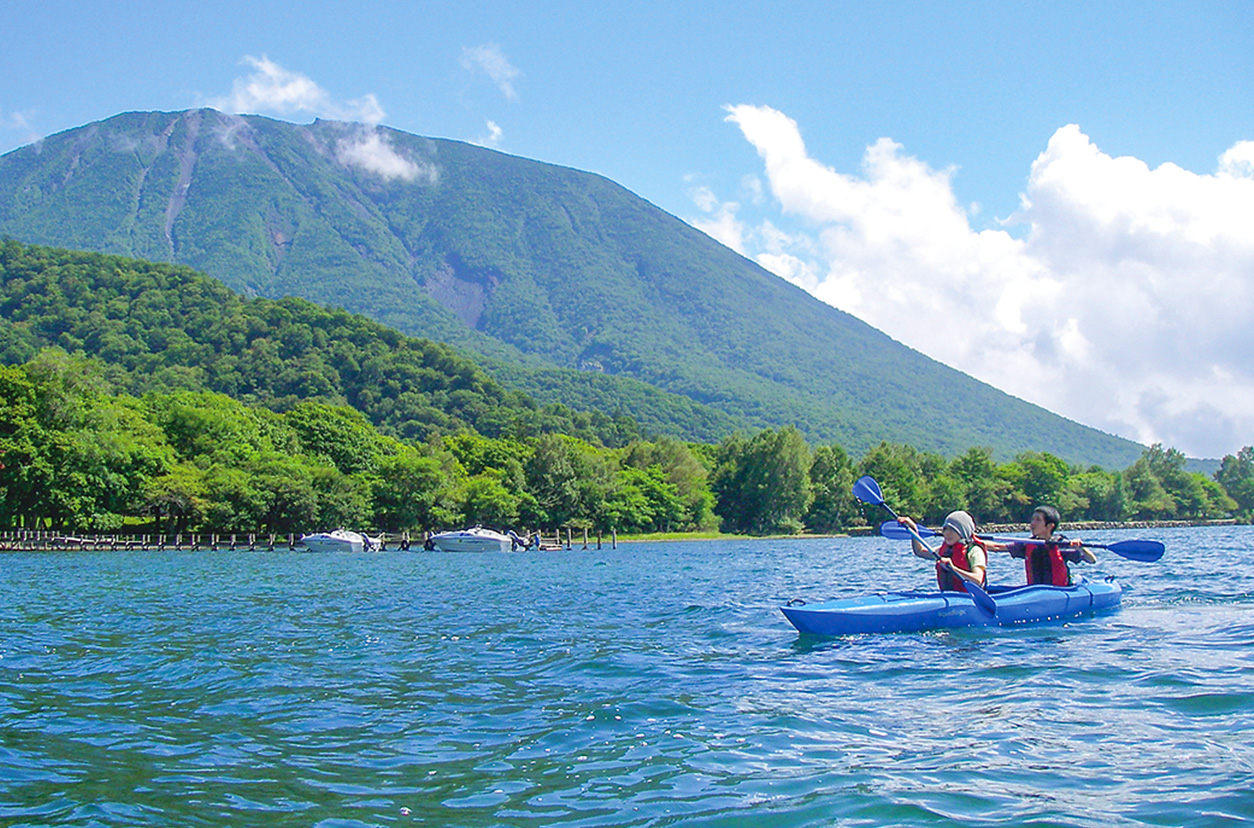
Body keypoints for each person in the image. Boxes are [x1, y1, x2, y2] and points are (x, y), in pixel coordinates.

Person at [984, 505, 1096, 586]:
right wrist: (973, 541)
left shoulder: (1061, 544)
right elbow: (997, 547)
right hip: (1035, 592)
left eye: (1037, 520)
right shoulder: (1028, 544)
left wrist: (1081, 548)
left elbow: (1092, 560)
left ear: (1050, 526)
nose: (1032, 523)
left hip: (1060, 592)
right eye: (1032, 519)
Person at [897, 510, 987, 593]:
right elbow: (920, 551)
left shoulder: (975, 551)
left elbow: (977, 580)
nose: (947, 533)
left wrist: (953, 569)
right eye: (945, 529)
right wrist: (914, 530)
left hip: (970, 598)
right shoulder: (944, 550)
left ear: (963, 532)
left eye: (952, 530)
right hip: (949, 597)